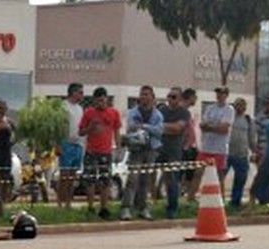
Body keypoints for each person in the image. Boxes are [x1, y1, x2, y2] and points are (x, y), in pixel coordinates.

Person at [120, 85, 163, 220]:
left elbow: (159, 131)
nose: (143, 97)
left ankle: (143, 208)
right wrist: (138, 131)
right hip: (136, 150)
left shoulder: (157, 114)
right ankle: (126, 208)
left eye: (146, 94)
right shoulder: (133, 112)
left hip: (151, 150)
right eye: (141, 94)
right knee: (132, 179)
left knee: (145, 181)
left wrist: (144, 126)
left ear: (152, 97)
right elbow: (130, 128)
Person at [78, 86, 121, 219]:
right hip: (91, 151)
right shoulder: (89, 113)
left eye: (103, 100)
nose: (101, 104)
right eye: (98, 101)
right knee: (90, 180)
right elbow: (80, 132)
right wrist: (90, 127)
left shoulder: (114, 113)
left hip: (106, 152)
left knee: (105, 181)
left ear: (106, 100)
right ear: (94, 101)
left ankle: (104, 208)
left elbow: (117, 131)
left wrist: (118, 148)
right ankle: (91, 207)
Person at [158, 87, 192, 219]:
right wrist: (167, 127)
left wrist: (162, 127)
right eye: (169, 96)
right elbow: (156, 127)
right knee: (147, 175)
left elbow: (178, 128)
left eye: (174, 97)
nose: (170, 99)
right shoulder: (161, 111)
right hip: (159, 148)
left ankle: (172, 209)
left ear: (180, 99)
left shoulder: (184, 113)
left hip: (174, 150)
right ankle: (145, 205)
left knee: (172, 180)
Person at [196, 86, 236, 196]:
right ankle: (191, 198)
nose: (219, 95)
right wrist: (214, 127)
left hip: (220, 148)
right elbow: (202, 125)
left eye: (222, 93)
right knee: (198, 172)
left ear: (226, 95)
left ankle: (221, 200)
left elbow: (224, 129)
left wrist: (210, 127)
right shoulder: (210, 108)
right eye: (217, 93)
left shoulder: (229, 109)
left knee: (219, 176)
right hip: (206, 146)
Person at [57, 82, 85, 209]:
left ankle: (68, 203)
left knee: (72, 177)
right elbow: (59, 126)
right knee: (64, 175)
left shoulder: (80, 108)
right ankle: (60, 203)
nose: (82, 95)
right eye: (80, 92)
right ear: (73, 92)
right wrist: (58, 144)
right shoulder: (64, 106)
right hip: (66, 143)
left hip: (77, 144)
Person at [226, 97, 257, 210]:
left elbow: (252, 139)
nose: (240, 107)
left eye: (243, 105)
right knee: (220, 178)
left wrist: (254, 152)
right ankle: (219, 202)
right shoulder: (228, 118)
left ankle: (235, 201)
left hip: (242, 155)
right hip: (227, 153)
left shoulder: (249, 120)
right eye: (238, 105)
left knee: (240, 179)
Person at [181, 88, 200, 201]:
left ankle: (189, 197)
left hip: (191, 147)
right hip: (185, 148)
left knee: (191, 174)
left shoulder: (188, 111)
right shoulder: (182, 111)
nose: (196, 99)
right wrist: (186, 146)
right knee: (183, 174)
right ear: (190, 97)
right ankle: (184, 196)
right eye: (195, 97)